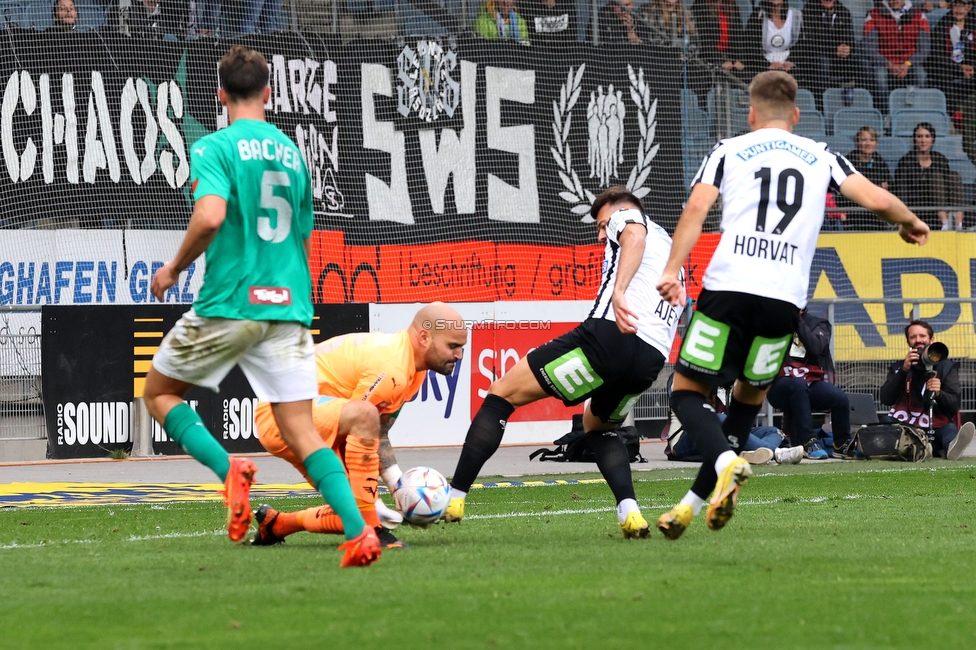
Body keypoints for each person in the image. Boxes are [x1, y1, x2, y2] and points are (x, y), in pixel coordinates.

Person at [654, 70, 929, 541]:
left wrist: (670, 270)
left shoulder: (729, 149)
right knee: (747, 400)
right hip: (784, 304)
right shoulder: (821, 156)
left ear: (752, 113)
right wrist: (908, 220)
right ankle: (688, 506)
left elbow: (696, 209)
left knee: (685, 393)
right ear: (797, 115)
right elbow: (872, 196)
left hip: (729, 288)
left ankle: (726, 463)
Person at [143, 46, 381, 568]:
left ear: (221, 94)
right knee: (299, 429)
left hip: (232, 301)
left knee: (159, 393)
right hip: (289, 305)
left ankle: (230, 470)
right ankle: (361, 533)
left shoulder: (213, 147)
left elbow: (209, 216)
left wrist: (174, 268)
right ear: (269, 93)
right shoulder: (293, 155)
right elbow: (302, 233)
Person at [443, 186, 682, 539]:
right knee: (597, 428)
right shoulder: (669, 245)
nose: (603, 234)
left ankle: (454, 498)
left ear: (620, 210)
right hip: (651, 361)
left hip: (610, 337)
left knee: (500, 395)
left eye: (603, 224)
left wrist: (618, 292)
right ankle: (630, 512)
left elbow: (632, 234)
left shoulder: (629, 219)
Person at [249, 304, 468, 549]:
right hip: (280, 416)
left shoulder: (412, 369)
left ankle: (276, 524)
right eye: (453, 346)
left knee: (349, 506)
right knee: (362, 501)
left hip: (297, 418)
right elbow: (359, 423)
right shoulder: (392, 367)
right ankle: (371, 530)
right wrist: (371, 505)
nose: (459, 355)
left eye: (461, 347)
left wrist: (400, 490)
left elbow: (378, 431)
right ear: (425, 337)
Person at [879, 319, 974, 459]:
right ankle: (912, 448)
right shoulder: (899, 367)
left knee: (950, 429)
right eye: (913, 337)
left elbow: (954, 405)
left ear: (932, 339)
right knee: (887, 421)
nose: (918, 340)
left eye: (922, 336)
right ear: (908, 342)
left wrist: (939, 393)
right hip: (906, 429)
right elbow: (886, 399)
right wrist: (903, 371)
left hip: (935, 428)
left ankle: (952, 447)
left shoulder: (946, 367)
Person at [766, 308, 853, 459]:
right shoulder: (774, 321)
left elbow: (816, 347)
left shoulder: (819, 324)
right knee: (797, 384)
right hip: (779, 386)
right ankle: (809, 441)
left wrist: (797, 321)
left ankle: (841, 444)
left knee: (840, 398)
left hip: (808, 382)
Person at [893, 122, 964, 230]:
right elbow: (902, 190)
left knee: (954, 176)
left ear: (932, 140)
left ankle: (958, 224)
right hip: (918, 206)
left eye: (927, 136)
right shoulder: (906, 161)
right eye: (919, 136)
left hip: (940, 206)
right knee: (935, 176)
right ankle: (944, 224)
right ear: (915, 139)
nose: (923, 140)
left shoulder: (940, 159)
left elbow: (949, 186)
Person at [862, 0, 930, 105]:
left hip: (910, 63)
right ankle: (885, 112)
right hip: (885, 63)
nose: (895, 0)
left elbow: (924, 49)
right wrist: (888, 64)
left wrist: (907, 64)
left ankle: (918, 109)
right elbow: (869, 47)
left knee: (920, 74)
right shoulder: (873, 15)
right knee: (880, 76)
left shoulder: (919, 16)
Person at [800, 0, 857, 107]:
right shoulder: (808, 12)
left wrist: (847, 48)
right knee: (823, 63)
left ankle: (852, 103)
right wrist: (834, 49)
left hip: (838, 58)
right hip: (814, 57)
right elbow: (810, 42)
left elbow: (851, 39)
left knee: (858, 59)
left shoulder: (844, 12)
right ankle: (821, 105)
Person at [928, 0, 976, 117]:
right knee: (939, 75)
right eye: (956, 5)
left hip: (971, 66)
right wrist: (959, 67)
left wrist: (972, 67)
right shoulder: (943, 23)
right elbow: (936, 54)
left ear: (969, 7)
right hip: (949, 66)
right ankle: (953, 114)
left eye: (962, 6)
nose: (958, 10)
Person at [745, 0, 805, 78]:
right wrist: (767, 65)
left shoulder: (796, 15)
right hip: (763, 65)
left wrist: (790, 62)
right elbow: (750, 46)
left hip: (788, 65)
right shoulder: (758, 15)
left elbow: (801, 45)